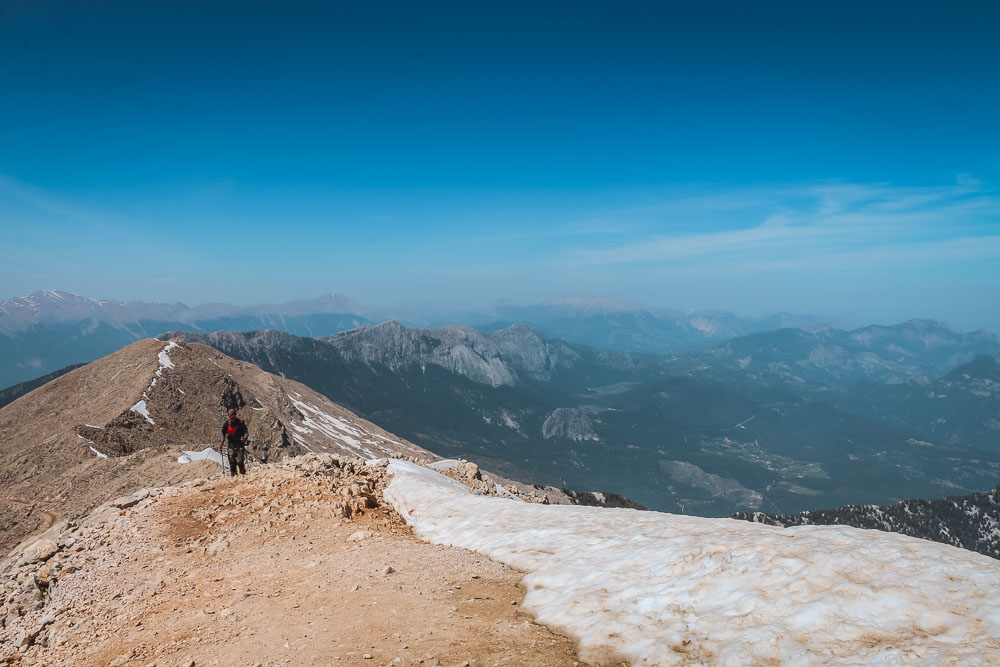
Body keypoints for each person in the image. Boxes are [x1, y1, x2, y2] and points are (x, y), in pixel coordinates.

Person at [220, 408, 249, 476]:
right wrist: (222, 442)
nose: (232, 417)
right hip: (231, 444)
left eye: (233, 415)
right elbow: (223, 433)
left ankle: (242, 473)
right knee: (232, 461)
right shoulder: (226, 424)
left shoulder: (241, 423)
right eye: (230, 416)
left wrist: (244, 438)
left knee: (240, 461)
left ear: (235, 415)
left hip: (239, 444)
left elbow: (246, 432)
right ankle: (233, 475)